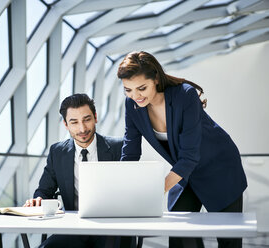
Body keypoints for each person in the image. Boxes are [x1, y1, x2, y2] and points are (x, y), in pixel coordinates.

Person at [117, 51, 247, 248]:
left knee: (228, 238)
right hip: (185, 174)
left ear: (156, 79)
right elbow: (130, 151)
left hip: (220, 167)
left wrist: (153, 191)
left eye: (141, 88)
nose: (135, 96)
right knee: (180, 236)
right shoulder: (132, 105)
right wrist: (119, 188)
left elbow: (189, 155)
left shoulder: (184, 95)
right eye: (128, 90)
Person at [23, 93, 126, 248]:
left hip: (111, 227)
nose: (82, 128)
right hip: (74, 228)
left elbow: (130, 190)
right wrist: (38, 200)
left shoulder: (119, 148)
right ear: (66, 124)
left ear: (95, 117)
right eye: (74, 122)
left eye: (87, 119)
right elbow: (44, 191)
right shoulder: (57, 152)